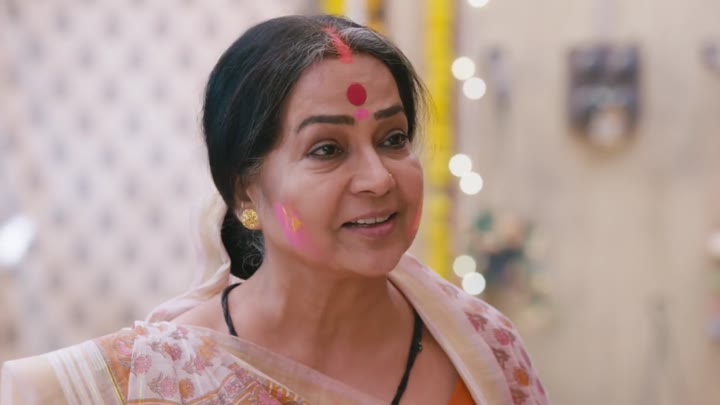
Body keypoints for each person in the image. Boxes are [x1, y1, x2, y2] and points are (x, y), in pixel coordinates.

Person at [0, 15, 548, 404]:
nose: (379, 178)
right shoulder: (164, 377)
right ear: (245, 194)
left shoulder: (484, 347)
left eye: (393, 138)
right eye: (327, 149)